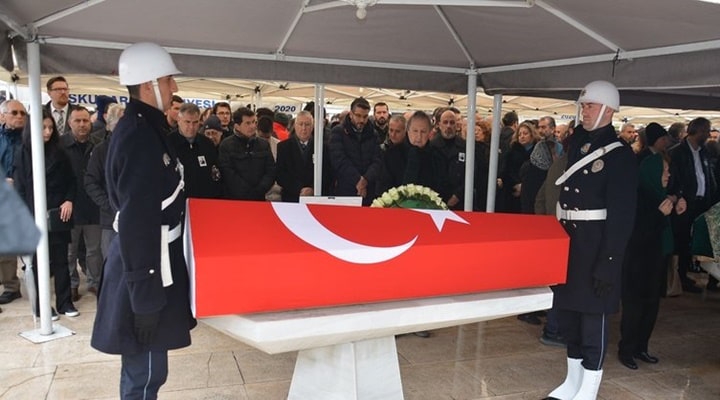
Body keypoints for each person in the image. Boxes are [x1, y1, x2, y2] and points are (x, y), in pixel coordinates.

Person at [90, 42, 197, 400]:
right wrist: (145, 298)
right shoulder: (138, 136)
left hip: (154, 262)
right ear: (150, 85)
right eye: (168, 80)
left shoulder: (147, 130)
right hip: (148, 269)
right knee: (145, 375)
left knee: (148, 373)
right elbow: (138, 222)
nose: (174, 88)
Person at [544, 80, 637, 400]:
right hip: (571, 245)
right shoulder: (579, 144)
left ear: (609, 110)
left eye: (591, 106)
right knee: (569, 316)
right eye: (584, 106)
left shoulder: (619, 155)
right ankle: (572, 382)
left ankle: (589, 389)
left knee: (592, 321)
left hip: (596, 247)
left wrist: (610, 261)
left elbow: (622, 215)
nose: (584, 111)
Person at [14, 110, 78, 319]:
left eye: (50, 127)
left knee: (61, 260)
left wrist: (68, 200)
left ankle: (65, 302)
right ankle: (41, 306)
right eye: (43, 128)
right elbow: (20, 188)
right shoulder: (22, 153)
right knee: (37, 262)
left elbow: (71, 181)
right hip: (32, 215)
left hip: (57, 214)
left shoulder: (59, 152)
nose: (48, 132)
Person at [618, 153, 676, 370]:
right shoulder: (638, 197)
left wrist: (675, 204)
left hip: (654, 261)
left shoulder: (659, 195)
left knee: (651, 306)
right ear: (653, 172)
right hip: (637, 263)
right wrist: (659, 215)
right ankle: (627, 350)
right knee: (634, 308)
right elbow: (637, 234)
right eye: (664, 170)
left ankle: (641, 347)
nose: (668, 175)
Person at [668, 117, 717, 293]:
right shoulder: (677, 152)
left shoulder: (704, 152)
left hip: (703, 203)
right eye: (706, 130)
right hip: (685, 203)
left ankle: (697, 274)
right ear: (698, 130)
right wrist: (679, 197)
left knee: (698, 239)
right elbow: (674, 179)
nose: (708, 134)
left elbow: (706, 176)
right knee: (682, 240)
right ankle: (680, 276)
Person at [329, 97, 382, 206]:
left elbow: (377, 160)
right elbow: (338, 160)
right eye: (358, 116)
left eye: (365, 116)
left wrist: (365, 180)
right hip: (345, 190)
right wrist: (358, 180)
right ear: (351, 114)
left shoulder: (373, 134)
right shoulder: (338, 132)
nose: (362, 120)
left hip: (368, 191)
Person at [218, 107, 275, 200]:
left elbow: (271, 171)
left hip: (259, 198)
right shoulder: (226, 145)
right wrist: (246, 192)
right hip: (234, 199)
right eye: (248, 123)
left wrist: (259, 190)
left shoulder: (263, 144)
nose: (252, 126)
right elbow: (228, 173)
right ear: (237, 126)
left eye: (254, 122)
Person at [0, 100, 26, 305]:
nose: (19, 116)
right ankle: (10, 285)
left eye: (22, 113)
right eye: (14, 113)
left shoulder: (30, 139)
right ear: (2, 116)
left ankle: (14, 285)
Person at [167, 102, 222, 199]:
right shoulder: (168, 143)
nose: (191, 127)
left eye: (195, 122)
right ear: (179, 120)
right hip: (178, 201)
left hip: (204, 201)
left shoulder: (207, 144)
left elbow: (215, 174)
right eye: (187, 122)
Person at [276, 111, 315, 202]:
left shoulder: (322, 147)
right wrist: (299, 189)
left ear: (312, 126)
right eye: (300, 124)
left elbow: (327, 173)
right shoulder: (283, 147)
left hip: (315, 197)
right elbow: (280, 174)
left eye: (307, 124)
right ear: (295, 126)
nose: (304, 128)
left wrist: (312, 189)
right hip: (291, 197)